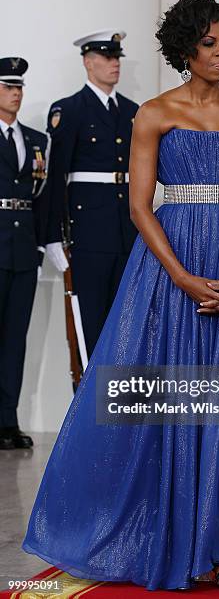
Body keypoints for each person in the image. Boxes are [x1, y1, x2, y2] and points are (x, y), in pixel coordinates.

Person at [22, 0, 219, 591]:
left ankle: (215, 547)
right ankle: (162, 537)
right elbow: (139, 207)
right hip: (170, 271)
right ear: (186, 48)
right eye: (211, 43)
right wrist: (186, 278)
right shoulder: (154, 113)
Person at [45, 30, 139, 357]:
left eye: (117, 58)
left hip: (127, 230)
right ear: (88, 62)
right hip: (89, 232)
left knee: (126, 323)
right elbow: (56, 177)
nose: (115, 64)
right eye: (107, 58)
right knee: (91, 322)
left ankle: (121, 402)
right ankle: (89, 402)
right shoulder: (69, 110)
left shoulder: (131, 111)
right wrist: (53, 235)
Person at [0, 57, 48, 449]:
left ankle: (7, 421)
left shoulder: (36, 140)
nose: (15, 94)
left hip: (22, 250)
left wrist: (41, 243)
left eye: (19, 88)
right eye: (7, 87)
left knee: (16, 339)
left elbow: (41, 198)